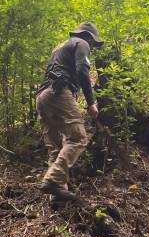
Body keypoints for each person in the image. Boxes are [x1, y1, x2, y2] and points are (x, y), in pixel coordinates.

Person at [36, 21, 103, 200]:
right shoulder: (82, 43)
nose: (92, 47)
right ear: (90, 38)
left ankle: (56, 196)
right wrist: (91, 102)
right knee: (78, 138)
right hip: (58, 92)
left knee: (56, 148)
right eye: (94, 44)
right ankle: (53, 179)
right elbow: (82, 70)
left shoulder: (61, 47)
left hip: (42, 96)